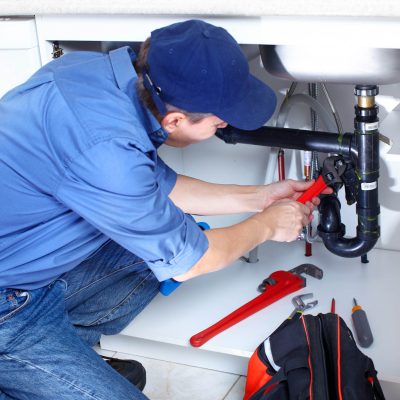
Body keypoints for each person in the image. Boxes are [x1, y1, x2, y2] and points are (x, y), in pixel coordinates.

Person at [0, 19, 323, 399]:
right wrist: (267, 226)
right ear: (174, 120)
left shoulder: (98, 74)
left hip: (24, 267)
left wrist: (259, 197)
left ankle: (56, 361)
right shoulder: (108, 152)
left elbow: (153, 186)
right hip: (10, 307)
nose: (224, 127)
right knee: (180, 252)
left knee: (166, 243)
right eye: (219, 123)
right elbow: (191, 263)